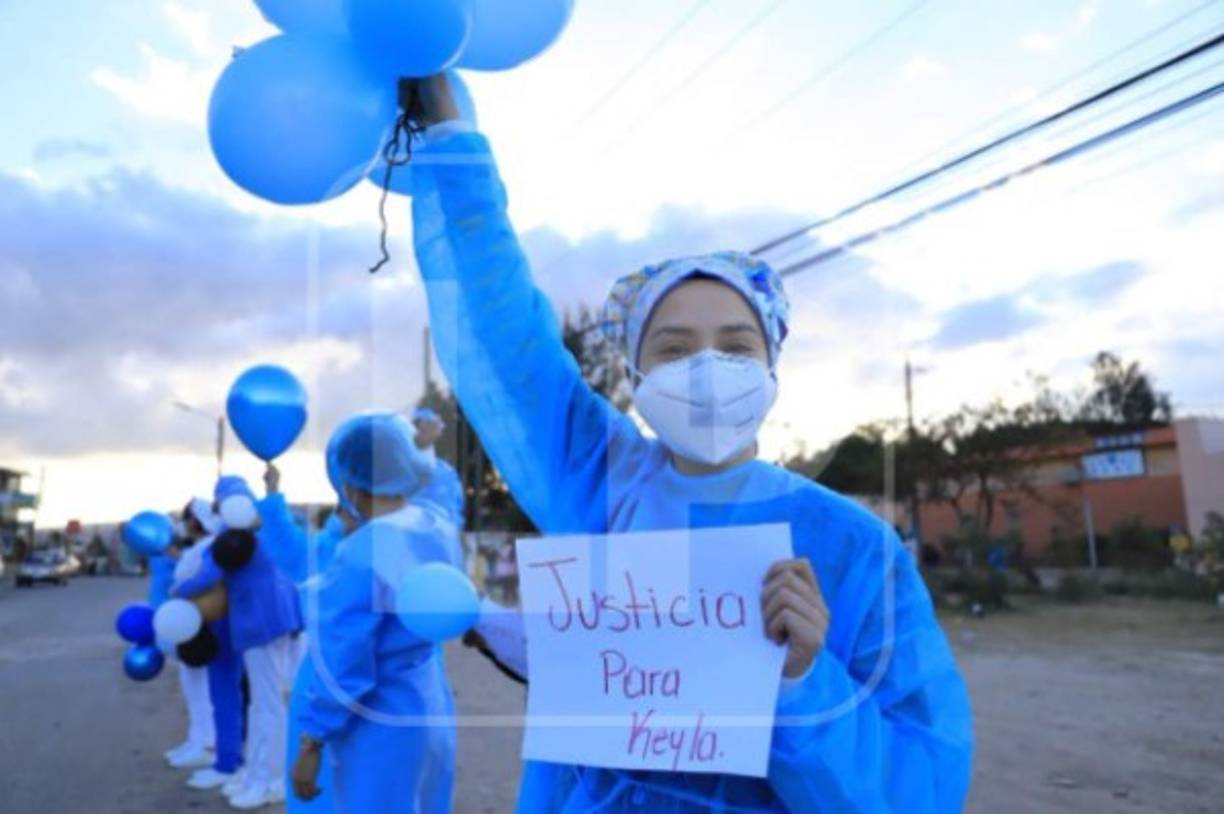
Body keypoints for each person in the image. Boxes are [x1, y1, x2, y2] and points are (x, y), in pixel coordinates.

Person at [405, 75, 974, 811]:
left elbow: (919, 785)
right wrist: (452, 142)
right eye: (673, 350)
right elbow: (505, 335)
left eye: (735, 346)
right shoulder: (601, 484)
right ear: (635, 374)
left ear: (771, 366)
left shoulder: (855, 548)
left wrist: (804, 680)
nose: (706, 369)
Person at [290, 412, 462, 814]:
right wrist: (423, 446)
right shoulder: (436, 524)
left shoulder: (360, 552)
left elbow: (344, 661)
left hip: (380, 723)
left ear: (350, 486)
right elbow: (439, 487)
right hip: (430, 704)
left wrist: (312, 740)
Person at [176, 475, 303, 810]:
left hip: (261, 625)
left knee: (267, 705)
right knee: (262, 704)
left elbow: (207, 576)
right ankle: (258, 774)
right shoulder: (250, 534)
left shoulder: (234, 539)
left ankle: (272, 780)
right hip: (270, 622)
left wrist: (178, 592)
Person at [164, 498, 221, 771]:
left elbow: (199, 580)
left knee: (202, 687)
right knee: (190, 683)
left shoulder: (209, 547)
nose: (183, 524)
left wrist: (178, 590)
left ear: (195, 521)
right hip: (189, 622)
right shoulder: (199, 547)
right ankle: (195, 738)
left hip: (203, 622)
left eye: (186, 519)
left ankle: (207, 744)